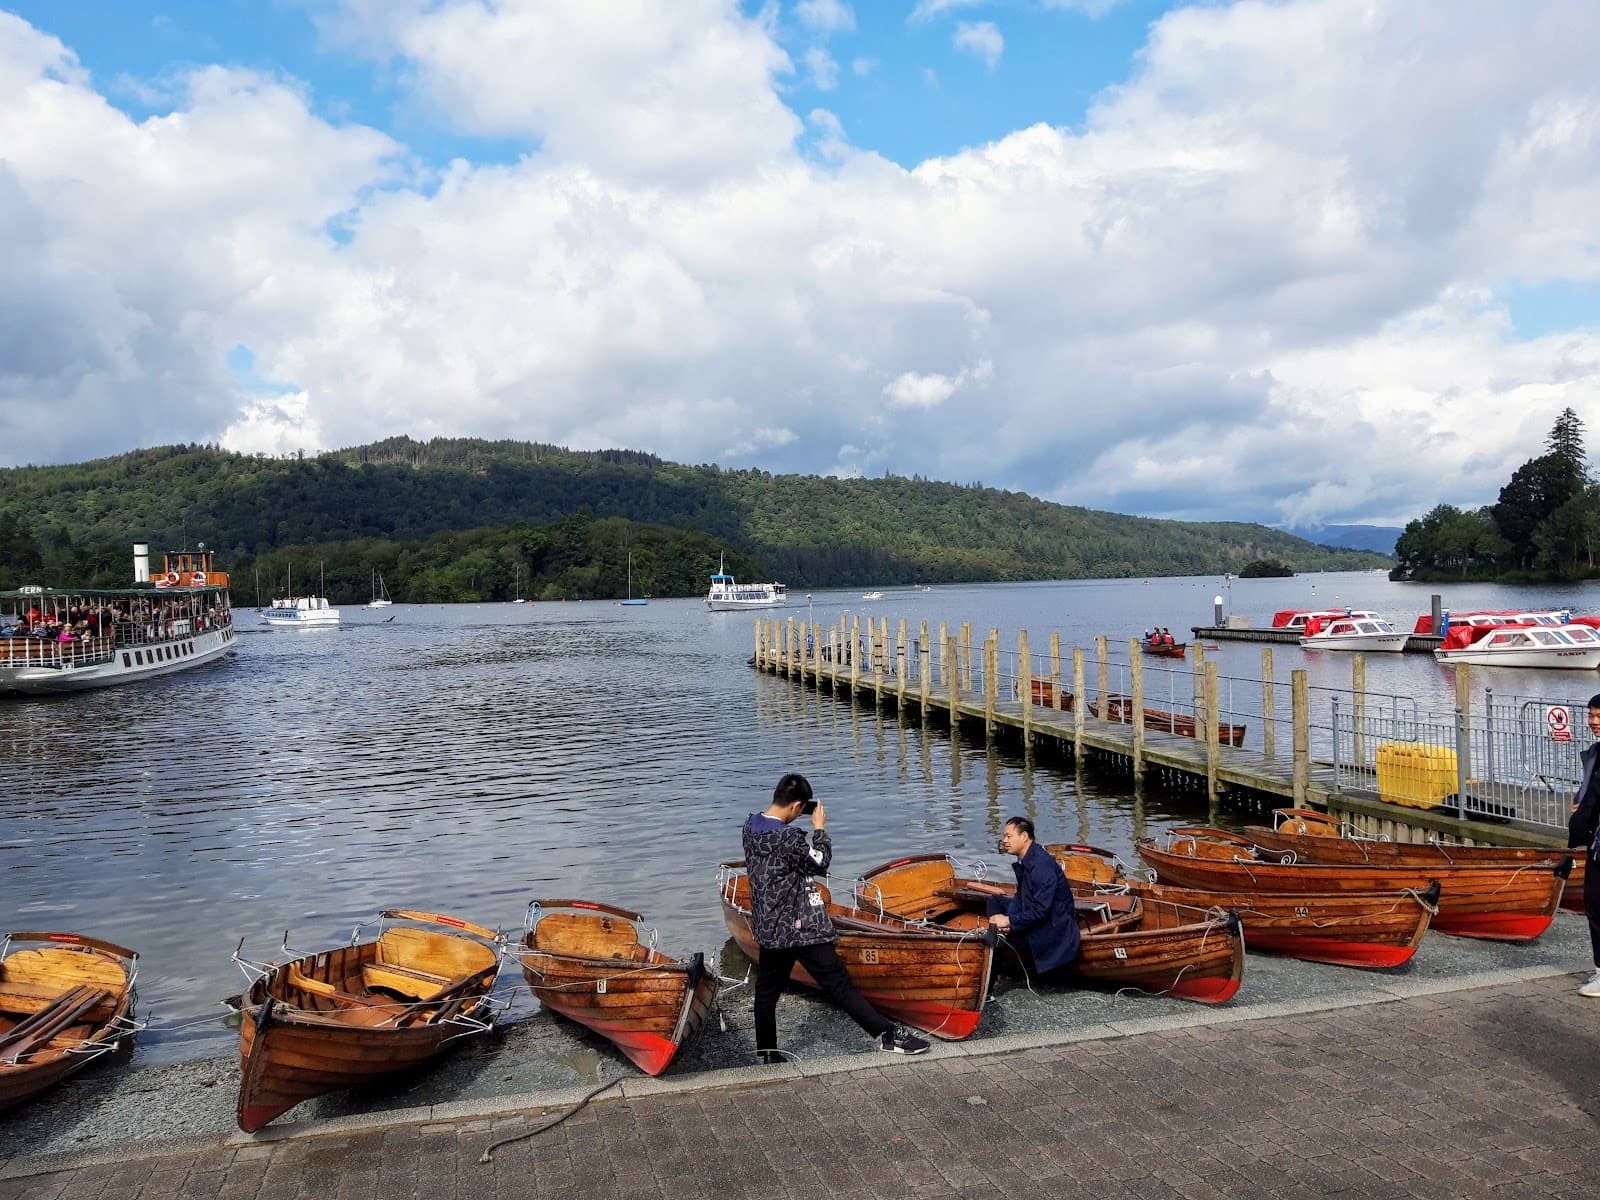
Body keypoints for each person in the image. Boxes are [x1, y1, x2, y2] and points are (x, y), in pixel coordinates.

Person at [742, 773, 929, 1061]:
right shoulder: (787, 837)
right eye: (800, 809)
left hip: (770, 927)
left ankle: (768, 1053)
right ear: (796, 806)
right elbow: (820, 862)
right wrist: (819, 830)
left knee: (766, 992)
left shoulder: (750, 826)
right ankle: (887, 1036)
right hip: (801, 928)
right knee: (838, 983)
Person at [987, 816, 1080, 974]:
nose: (1005, 840)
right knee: (994, 901)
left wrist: (1009, 920)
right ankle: (1000, 932)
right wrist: (1008, 921)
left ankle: (988, 990)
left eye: (1009, 836)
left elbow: (1040, 911)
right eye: (1004, 836)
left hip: (1052, 927)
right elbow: (1022, 896)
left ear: (1024, 837)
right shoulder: (1028, 858)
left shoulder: (1041, 866)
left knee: (995, 942)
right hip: (1033, 913)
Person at [1567, 695, 1600, 996]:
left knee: (1596, 901)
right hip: (1596, 838)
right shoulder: (1595, 753)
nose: (1594, 721)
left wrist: (1578, 822)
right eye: (1591, 715)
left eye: (1599, 715)